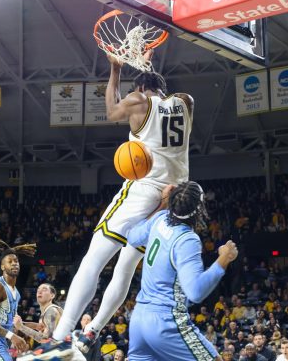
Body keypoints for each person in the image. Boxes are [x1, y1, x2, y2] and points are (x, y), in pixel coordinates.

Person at [38, 49, 195, 357]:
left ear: (139, 89)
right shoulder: (186, 102)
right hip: (173, 199)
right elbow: (172, 101)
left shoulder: (138, 101)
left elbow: (110, 111)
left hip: (145, 188)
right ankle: (93, 329)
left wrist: (115, 71)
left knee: (96, 256)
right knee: (127, 265)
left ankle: (61, 333)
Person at [125, 181, 239, 360]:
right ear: (199, 209)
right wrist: (224, 258)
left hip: (139, 319)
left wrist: (162, 205)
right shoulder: (187, 240)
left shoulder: (160, 218)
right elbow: (195, 292)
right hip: (165, 322)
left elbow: (132, 237)